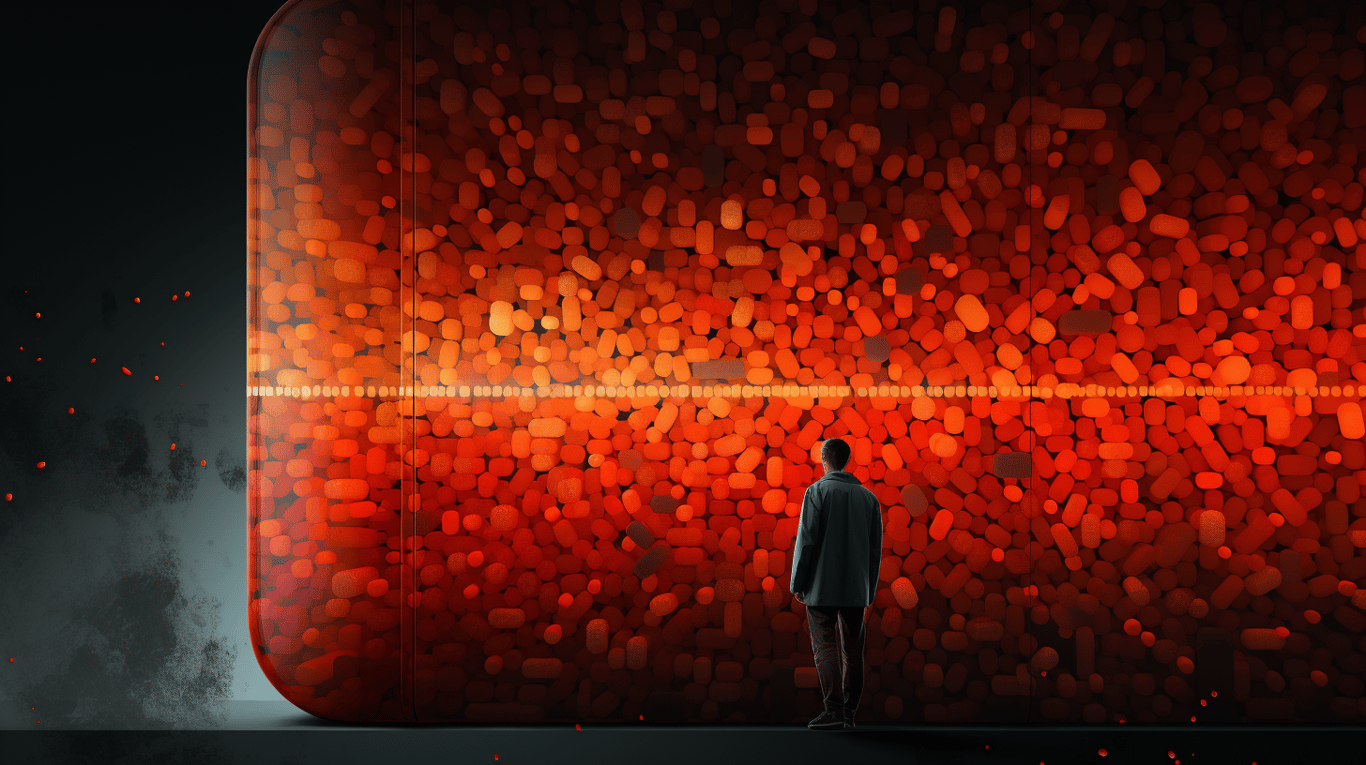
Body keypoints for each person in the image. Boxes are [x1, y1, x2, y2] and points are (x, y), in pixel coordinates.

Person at [788, 437, 883, 730]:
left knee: (825, 648)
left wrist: (797, 583)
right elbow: (874, 550)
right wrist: (868, 589)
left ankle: (832, 710)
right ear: (847, 460)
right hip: (856, 588)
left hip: (819, 588)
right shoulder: (868, 498)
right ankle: (849, 714)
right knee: (853, 651)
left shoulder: (816, 492)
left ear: (823, 459)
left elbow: (806, 541)